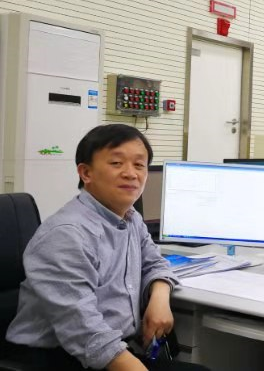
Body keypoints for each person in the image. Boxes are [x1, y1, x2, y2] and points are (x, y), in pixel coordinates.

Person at [5, 124, 209, 371]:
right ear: (86, 173)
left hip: (109, 348)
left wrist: (160, 298)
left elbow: (154, 262)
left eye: (139, 164)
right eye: (116, 163)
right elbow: (84, 332)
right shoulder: (66, 235)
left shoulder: (130, 218)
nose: (131, 173)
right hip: (58, 357)